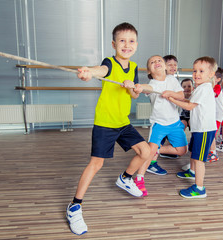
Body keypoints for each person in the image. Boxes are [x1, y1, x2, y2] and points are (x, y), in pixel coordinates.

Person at [66, 22, 151, 235]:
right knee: (96, 164)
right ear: (114, 44)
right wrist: (88, 73)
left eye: (131, 41)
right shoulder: (110, 62)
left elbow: (134, 95)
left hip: (123, 122)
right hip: (105, 123)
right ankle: (75, 206)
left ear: (137, 45)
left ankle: (125, 178)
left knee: (146, 151)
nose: (126, 45)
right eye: (122, 40)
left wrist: (134, 88)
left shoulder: (133, 67)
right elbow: (100, 70)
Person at [132, 55, 188, 196]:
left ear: (165, 66)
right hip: (159, 124)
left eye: (159, 61)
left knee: (181, 150)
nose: (156, 62)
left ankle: (158, 150)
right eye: (152, 62)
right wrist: (138, 87)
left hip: (175, 123)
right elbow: (147, 88)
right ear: (149, 71)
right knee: (149, 151)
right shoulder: (153, 83)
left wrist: (171, 93)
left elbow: (181, 96)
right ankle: (139, 178)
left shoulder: (172, 79)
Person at [169, 56, 217, 198]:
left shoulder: (204, 88)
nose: (197, 74)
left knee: (199, 159)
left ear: (211, 74)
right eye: (195, 71)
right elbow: (189, 101)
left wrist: (172, 99)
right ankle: (192, 171)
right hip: (199, 129)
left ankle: (199, 188)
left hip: (204, 130)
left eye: (201, 71)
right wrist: (176, 97)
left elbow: (189, 106)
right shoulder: (200, 88)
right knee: (193, 153)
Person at [157, 54, 181, 160]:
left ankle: (164, 152)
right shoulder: (169, 78)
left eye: (175, 65)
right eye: (170, 64)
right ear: (164, 66)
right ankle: (151, 161)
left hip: (169, 116)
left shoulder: (170, 79)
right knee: (158, 141)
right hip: (165, 117)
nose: (173, 67)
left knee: (162, 138)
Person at [207, 67, 223, 162]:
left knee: (211, 134)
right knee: (209, 133)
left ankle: (213, 153)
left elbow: (213, 94)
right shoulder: (212, 86)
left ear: (218, 79)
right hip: (213, 115)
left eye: (212, 76)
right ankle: (210, 150)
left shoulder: (217, 87)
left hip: (217, 116)